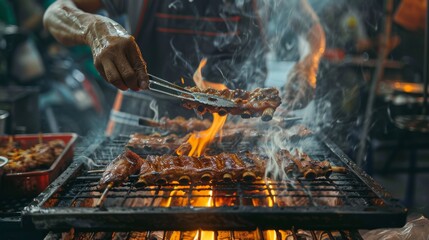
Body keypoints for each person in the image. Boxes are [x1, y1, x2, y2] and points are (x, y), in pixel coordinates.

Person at [43, 0, 325, 135]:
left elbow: (312, 29)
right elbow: (56, 11)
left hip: (234, 133)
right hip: (141, 128)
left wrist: (308, 64)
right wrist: (93, 27)